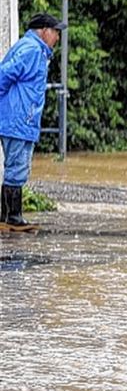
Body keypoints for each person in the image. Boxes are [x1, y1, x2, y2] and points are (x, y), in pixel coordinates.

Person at [0, 13, 66, 232]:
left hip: (20, 119)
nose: (57, 36)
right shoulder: (31, 50)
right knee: (17, 167)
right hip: (18, 119)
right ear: (43, 30)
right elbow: (4, 75)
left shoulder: (33, 49)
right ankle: (13, 217)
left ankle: (8, 217)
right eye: (55, 31)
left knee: (17, 167)